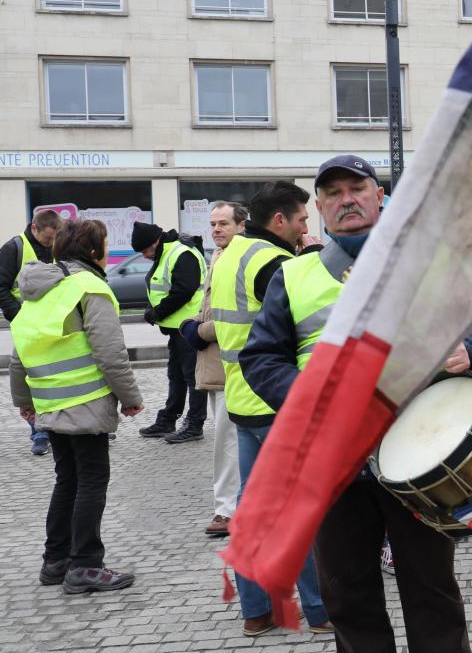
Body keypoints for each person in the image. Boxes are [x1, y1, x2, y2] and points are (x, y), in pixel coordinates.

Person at [241, 155, 472, 653]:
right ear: (318, 208)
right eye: (333, 194)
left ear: (380, 197)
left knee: (432, 594)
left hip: (420, 460)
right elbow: (261, 359)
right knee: (348, 598)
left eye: (357, 188)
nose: (347, 200)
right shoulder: (292, 277)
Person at [196, 183, 325, 635]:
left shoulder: (232, 252)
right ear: (280, 221)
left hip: (242, 403)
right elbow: (301, 323)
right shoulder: (276, 264)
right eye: (302, 220)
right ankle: (320, 607)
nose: (307, 228)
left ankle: (255, 611)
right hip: (275, 405)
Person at [9, 219, 144, 594]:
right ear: (94, 251)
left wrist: (25, 402)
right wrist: (131, 398)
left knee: (67, 479)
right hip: (85, 403)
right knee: (91, 479)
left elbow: (20, 355)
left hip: (51, 403)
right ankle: (85, 564)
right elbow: (111, 354)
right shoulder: (89, 288)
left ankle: (55, 561)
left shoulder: (40, 290)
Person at [178, 201, 246, 538]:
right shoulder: (218, 257)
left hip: (232, 364)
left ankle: (229, 510)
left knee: (228, 441)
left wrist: (198, 331)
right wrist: (193, 323)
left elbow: (233, 315)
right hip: (218, 364)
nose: (216, 229)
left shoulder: (237, 259)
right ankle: (228, 507)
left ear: (241, 226)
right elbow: (210, 307)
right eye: (213, 224)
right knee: (226, 441)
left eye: (223, 223)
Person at [132, 221, 208, 443]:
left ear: (155, 242)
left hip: (189, 326)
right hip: (176, 328)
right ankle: (168, 419)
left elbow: (183, 290)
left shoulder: (181, 253)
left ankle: (195, 424)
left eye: (145, 250)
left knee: (193, 378)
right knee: (176, 376)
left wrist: (158, 312)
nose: (145, 256)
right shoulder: (165, 253)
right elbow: (161, 287)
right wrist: (153, 309)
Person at [2, 209, 63, 456]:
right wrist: (19, 316)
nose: (50, 244)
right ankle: (38, 432)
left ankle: (60, 426)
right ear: (35, 228)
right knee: (31, 375)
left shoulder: (58, 245)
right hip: (26, 323)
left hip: (53, 321)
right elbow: (1, 287)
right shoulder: (13, 248)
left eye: (54, 239)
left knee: (56, 375)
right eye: (47, 239)